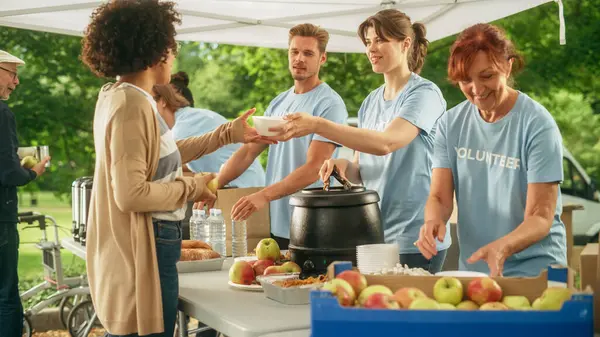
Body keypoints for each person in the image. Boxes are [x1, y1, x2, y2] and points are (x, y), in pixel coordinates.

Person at [80, 1, 267, 336]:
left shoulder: (122, 96)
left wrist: (227, 134)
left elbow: (160, 156)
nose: (174, 55)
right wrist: (193, 187)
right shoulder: (132, 105)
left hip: (156, 239)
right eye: (171, 46)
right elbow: (132, 194)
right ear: (156, 51)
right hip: (149, 242)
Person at [266, 10, 450, 273]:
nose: (371, 48)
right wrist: (341, 165)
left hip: (416, 238)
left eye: (380, 40)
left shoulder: (425, 94)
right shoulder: (370, 102)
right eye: (368, 42)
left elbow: (386, 143)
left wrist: (318, 124)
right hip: (374, 237)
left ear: (405, 43)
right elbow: (360, 169)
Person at [415, 23, 567, 277]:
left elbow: (541, 216)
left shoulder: (537, 124)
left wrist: (502, 247)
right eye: (466, 80)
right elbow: (440, 198)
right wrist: (433, 221)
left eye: (486, 76)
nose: (477, 90)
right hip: (476, 272)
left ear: (507, 66)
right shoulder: (450, 124)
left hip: (536, 271)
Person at [216, 23, 348, 250]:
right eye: (294, 52)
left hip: (312, 224)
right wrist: (213, 186)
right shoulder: (278, 102)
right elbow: (249, 151)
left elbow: (314, 167)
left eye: (308, 53)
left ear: (322, 59)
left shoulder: (329, 104)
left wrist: (264, 196)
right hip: (277, 223)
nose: (299, 59)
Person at [0, 50, 50, 337]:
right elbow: (8, 173)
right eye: (11, 73)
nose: (16, 82)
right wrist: (33, 171)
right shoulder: (3, 113)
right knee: (6, 296)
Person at [169, 72, 266, 188]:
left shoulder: (185, 124)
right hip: (251, 183)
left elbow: (161, 162)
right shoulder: (199, 116)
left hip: (237, 187)